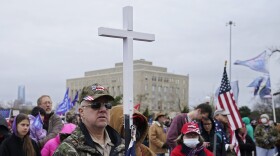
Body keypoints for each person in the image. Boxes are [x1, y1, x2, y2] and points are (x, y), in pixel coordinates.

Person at [53, 83, 124, 155]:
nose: (103, 109)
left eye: (107, 105)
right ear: (81, 112)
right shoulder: (67, 150)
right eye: (96, 105)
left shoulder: (122, 146)